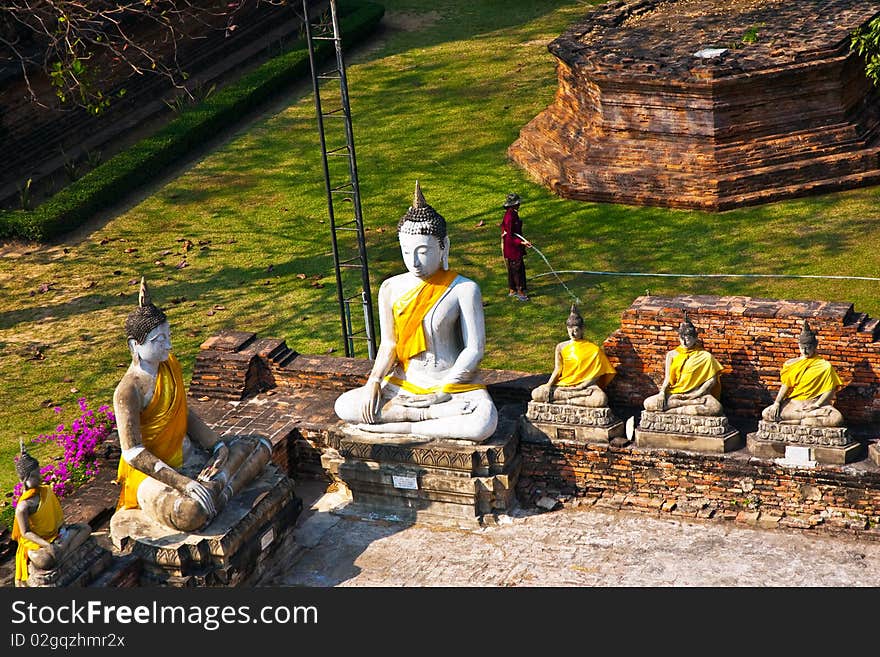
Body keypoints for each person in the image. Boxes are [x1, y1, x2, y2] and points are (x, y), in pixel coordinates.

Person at [334, 181, 499, 442]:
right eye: (407, 251)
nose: (414, 262)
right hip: (405, 383)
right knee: (344, 405)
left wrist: (443, 391)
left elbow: (474, 349)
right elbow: (389, 344)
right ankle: (417, 419)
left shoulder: (463, 289)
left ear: (444, 246)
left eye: (423, 252)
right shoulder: (391, 287)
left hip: (449, 383)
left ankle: (396, 424)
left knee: (483, 423)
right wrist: (374, 381)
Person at [113, 278, 271, 532]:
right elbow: (133, 453)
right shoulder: (128, 390)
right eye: (158, 340)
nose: (168, 345)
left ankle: (214, 491)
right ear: (135, 345)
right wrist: (182, 483)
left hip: (190, 456)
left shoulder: (169, 365)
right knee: (190, 513)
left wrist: (216, 445)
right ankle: (217, 491)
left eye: (169, 336)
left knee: (261, 445)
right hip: (151, 474)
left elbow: (182, 413)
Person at [12, 443, 91, 587]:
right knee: (45, 560)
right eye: (36, 475)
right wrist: (46, 545)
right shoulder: (23, 507)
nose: (40, 477)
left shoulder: (46, 491)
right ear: (25, 480)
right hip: (38, 544)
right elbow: (25, 533)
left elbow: (57, 516)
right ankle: (63, 552)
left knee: (86, 528)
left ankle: (61, 553)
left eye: (39, 472)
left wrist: (62, 531)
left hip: (56, 536)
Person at [761, 320, 844, 427]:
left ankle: (797, 420)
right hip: (794, 404)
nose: (804, 352)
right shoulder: (791, 364)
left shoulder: (824, 366)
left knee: (836, 418)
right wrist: (777, 403)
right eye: (802, 348)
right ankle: (805, 420)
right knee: (766, 414)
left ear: (815, 346)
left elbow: (830, 390)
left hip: (813, 404)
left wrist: (817, 405)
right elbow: (785, 385)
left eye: (808, 348)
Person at [531, 304, 616, 406]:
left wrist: (582, 386)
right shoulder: (561, 347)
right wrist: (549, 385)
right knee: (536, 394)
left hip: (585, 387)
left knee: (600, 399)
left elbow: (597, 375)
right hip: (564, 385)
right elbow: (558, 369)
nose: (572, 334)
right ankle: (569, 400)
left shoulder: (594, 350)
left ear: (582, 329)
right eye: (570, 330)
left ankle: (562, 401)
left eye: (576, 330)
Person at [643, 313, 724, 416]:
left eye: (688, 338)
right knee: (648, 403)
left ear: (695, 338)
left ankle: (671, 410)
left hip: (697, 394)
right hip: (675, 393)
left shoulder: (705, 356)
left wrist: (697, 393)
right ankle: (685, 404)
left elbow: (711, 380)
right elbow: (667, 378)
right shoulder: (671, 355)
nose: (684, 342)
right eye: (682, 338)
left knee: (716, 408)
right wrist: (662, 392)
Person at [500, 192, 531, 301]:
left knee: (513, 268)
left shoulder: (512, 214)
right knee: (517, 269)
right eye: (517, 203)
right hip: (513, 249)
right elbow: (510, 236)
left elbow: (504, 227)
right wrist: (522, 243)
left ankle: (512, 289)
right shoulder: (510, 216)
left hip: (513, 248)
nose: (519, 205)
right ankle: (520, 291)